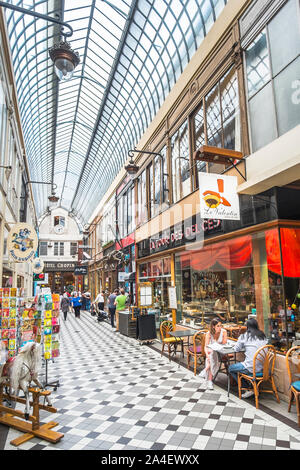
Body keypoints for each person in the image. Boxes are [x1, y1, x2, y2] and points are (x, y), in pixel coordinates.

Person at [228, 318, 268, 398]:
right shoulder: (262, 335)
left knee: (230, 368)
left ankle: (248, 388)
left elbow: (236, 349)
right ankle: (252, 384)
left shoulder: (244, 336)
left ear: (247, 327)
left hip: (250, 367)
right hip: (262, 367)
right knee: (243, 365)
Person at [199, 318, 227, 390]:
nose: (220, 327)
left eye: (221, 325)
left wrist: (220, 335)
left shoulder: (224, 332)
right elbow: (206, 347)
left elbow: (224, 343)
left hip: (221, 352)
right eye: (218, 326)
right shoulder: (209, 333)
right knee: (212, 353)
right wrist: (207, 355)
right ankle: (210, 380)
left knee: (212, 352)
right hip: (212, 354)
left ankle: (205, 370)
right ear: (213, 326)